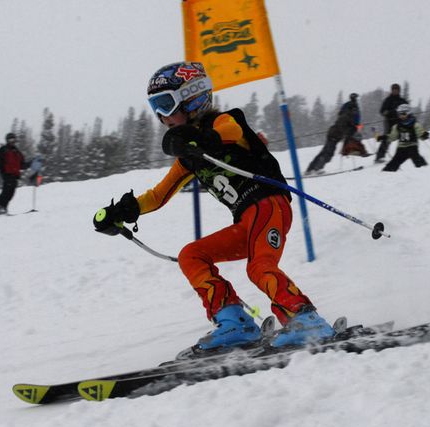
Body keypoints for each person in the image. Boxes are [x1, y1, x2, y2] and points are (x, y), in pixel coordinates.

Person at [93, 61, 335, 355]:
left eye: (166, 104)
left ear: (193, 97)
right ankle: (234, 322)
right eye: (155, 107)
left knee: (259, 267)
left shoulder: (224, 123)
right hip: (245, 221)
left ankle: (305, 318)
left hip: (269, 206)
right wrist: (125, 210)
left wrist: (196, 139)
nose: (161, 115)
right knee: (191, 255)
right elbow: (158, 195)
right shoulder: (189, 157)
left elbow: (227, 133)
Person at [304, 93, 361, 175]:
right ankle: (317, 169)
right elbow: (344, 126)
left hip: (333, 134)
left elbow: (347, 122)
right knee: (328, 153)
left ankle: (310, 169)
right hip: (334, 135)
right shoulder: (348, 114)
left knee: (324, 152)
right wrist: (349, 131)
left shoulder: (347, 110)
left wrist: (350, 130)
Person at [379, 104, 429, 172]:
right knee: (395, 161)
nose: (401, 116)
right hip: (401, 147)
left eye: (403, 113)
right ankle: (387, 172)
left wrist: (424, 135)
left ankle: (424, 170)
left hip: (412, 145)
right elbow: (393, 136)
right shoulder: (397, 126)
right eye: (399, 114)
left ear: (408, 113)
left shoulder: (415, 124)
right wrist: (384, 137)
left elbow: (419, 133)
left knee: (415, 157)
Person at [0, 132, 27, 215]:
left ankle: (3, 208)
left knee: (11, 193)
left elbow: (22, 165)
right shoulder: (3, 149)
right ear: (7, 140)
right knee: (6, 191)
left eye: (13, 139)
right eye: (10, 139)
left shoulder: (17, 152)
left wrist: (31, 163)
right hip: (6, 173)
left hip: (15, 175)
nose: (12, 141)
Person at [375, 83, 408, 163]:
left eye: (397, 90)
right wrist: (388, 112)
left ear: (399, 91)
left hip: (400, 121)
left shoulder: (402, 100)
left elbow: (407, 110)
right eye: (394, 90)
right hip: (389, 122)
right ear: (392, 90)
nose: (395, 91)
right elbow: (382, 111)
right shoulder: (388, 100)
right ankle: (379, 157)